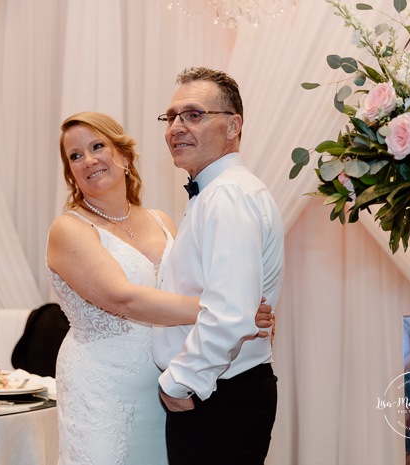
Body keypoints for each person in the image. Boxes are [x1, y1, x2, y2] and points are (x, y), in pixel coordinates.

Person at [46, 111, 273, 465]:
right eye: (75, 156)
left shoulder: (161, 220)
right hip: (103, 391)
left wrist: (237, 305)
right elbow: (124, 298)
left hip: (166, 383)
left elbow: (198, 284)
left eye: (97, 146)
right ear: (70, 172)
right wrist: (230, 309)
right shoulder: (68, 229)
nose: (88, 160)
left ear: (123, 155)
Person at [153, 67, 285, 465]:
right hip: (222, 392)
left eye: (193, 114)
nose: (176, 127)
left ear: (233, 126)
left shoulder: (227, 196)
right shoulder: (215, 194)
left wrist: (180, 382)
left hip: (216, 398)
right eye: (171, 116)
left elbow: (229, 313)